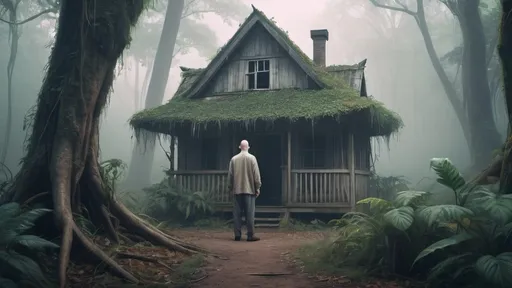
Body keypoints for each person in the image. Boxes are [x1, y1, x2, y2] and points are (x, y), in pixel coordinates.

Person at [228, 139, 261, 242]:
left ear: (239, 147)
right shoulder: (252, 158)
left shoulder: (234, 159)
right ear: (248, 147)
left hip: (237, 190)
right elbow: (256, 175)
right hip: (249, 190)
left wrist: (230, 187)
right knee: (249, 214)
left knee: (237, 214)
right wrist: (257, 187)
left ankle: (237, 235)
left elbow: (230, 176)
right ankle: (250, 235)